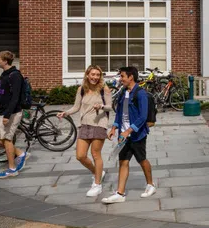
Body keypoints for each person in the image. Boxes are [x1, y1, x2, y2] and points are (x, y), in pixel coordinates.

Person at [102, 66, 156, 203]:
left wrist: (128, 130)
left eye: (122, 76)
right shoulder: (122, 93)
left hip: (137, 135)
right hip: (123, 135)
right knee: (123, 162)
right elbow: (119, 113)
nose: (121, 79)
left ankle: (150, 185)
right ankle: (120, 193)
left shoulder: (141, 93)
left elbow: (143, 117)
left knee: (142, 160)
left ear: (131, 77)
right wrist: (114, 127)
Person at [57, 65, 113, 197]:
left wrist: (102, 106)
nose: (95, 77)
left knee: (95, 154)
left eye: (97, 75)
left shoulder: (104, 89)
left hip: (99, 123)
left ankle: (97, 184)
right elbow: (76, 107)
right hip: (84, 124)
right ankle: (98, 172)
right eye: (92, 74)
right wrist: (65, 113)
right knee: (80, 156)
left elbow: (110, 107)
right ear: (87, 75)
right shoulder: (81, 89)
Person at [0, 51, 28, 179]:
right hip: (2, 112)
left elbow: (15, 97)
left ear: (5, 61)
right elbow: (2, 94)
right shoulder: (4, 74)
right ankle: (20, 154)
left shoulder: (15, 75)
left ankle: (12, 169)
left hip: (11, 112)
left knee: (7, 140)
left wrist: (7, 115)